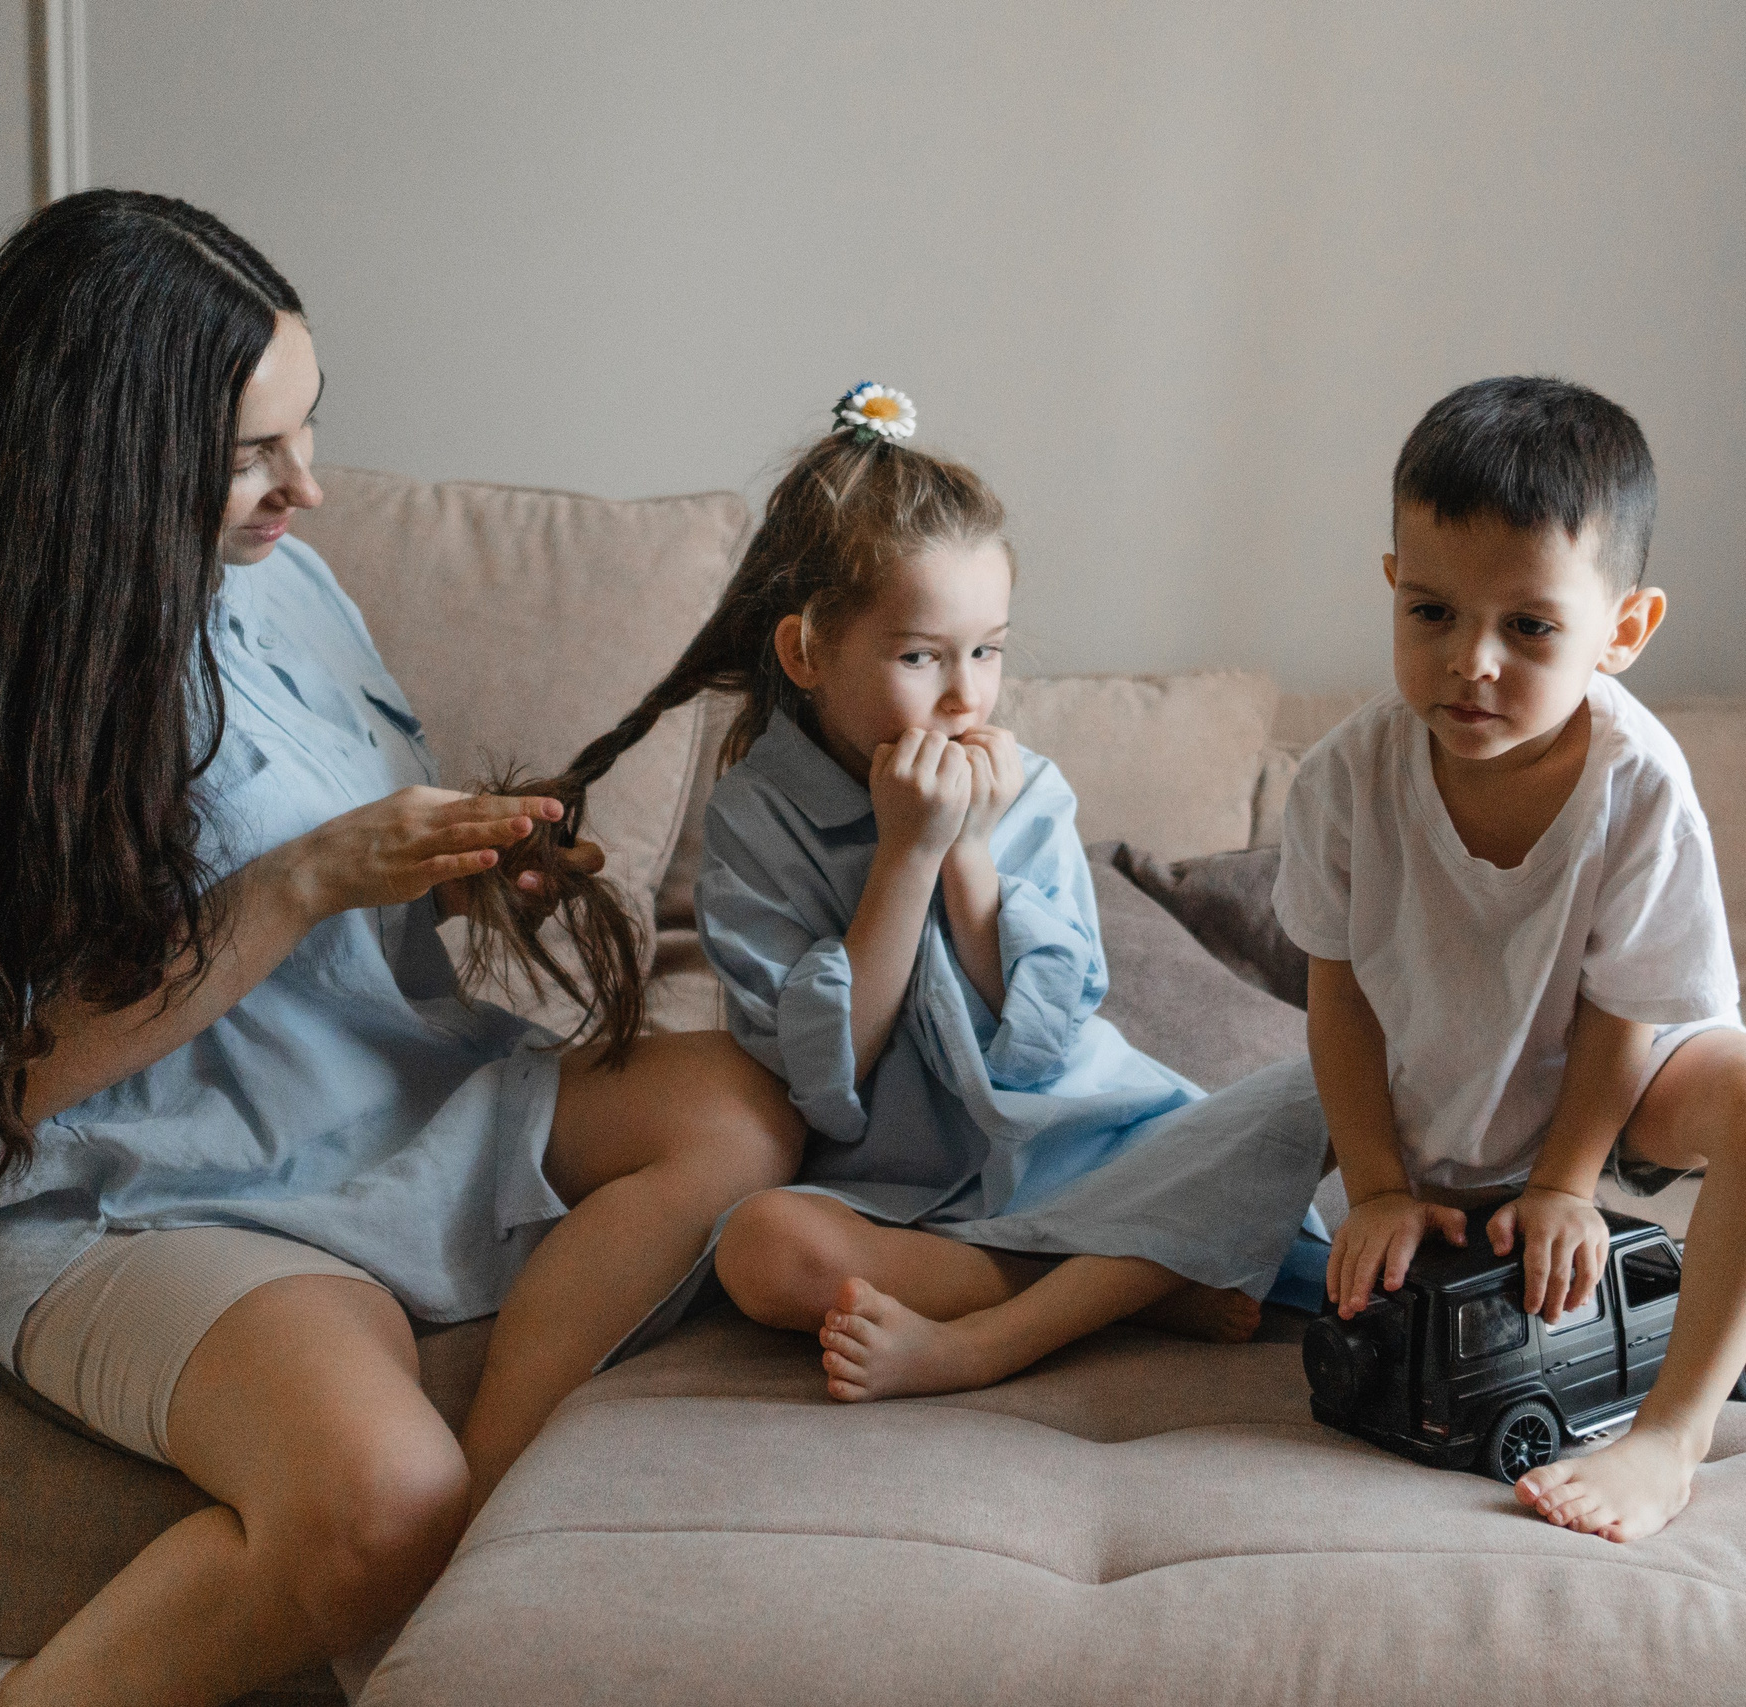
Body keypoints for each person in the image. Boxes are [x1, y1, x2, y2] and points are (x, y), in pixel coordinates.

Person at [0, 190, 802, 1707]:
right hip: (136, 1191)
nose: (306, 485)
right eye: (251, 454)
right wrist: (300, 884)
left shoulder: (281, 581)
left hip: (381, 1094)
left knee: (741, 1106)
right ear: (107, 452)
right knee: (378, 1494)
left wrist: (468, 876)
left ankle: (450, 1595)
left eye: (305, 431)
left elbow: (347, 879)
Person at [497, 387, 1329, 1401]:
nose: (963, 695)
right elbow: (824, 1079)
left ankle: (1067, 1288)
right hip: (904, 1197)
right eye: (919, 656)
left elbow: (1044, 1045)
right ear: (807, 654)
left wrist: (969, 850)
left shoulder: (1024, 792)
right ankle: (1114, 1281)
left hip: (1082, 1148)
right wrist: (904, 857)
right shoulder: (758, 820)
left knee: (1303, 1099)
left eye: (987, 651)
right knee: (761, 1249)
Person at [1276, 376, 1746, 1544]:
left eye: (1527, 627)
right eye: (1431, 614)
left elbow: (1629, 1008)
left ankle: (1669, 1440)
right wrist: (1376, 1185)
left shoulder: (1638, 784)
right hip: (1443, 1083)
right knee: (1220, 1221)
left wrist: (1567, 1184)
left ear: (1622, 631)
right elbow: (1340, 999)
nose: (1471, 661)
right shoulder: (1342, 779)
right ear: (1391, 589)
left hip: (1615, 1088)